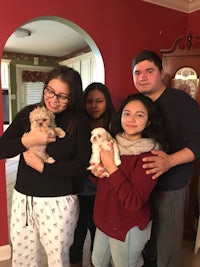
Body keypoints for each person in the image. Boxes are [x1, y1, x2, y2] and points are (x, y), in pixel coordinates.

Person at [0, 65, 92, 267]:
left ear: (72, 98)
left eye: (62, 96)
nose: (53, 99)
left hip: (59, 202)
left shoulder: (79, 123)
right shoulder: (27, 114)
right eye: (50, 90)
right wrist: (27, 141)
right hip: (24, 200)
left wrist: (44, 167)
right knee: (23, 257)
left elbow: (80, 167)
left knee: (57, 259)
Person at [132, 50, 200, 267]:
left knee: (166, 246)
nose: (142, 77)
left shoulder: (182, 102)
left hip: (169, 186)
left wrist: (169, 161)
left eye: (149, 71)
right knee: (145, 241)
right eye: (137, 72)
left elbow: (197, 144)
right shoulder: (135, 103)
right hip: (140, 186)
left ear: (161, 73)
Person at [90, 93, 168, 267]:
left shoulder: (150, 157)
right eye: (127, 113)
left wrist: (110, 166)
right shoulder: (111, 144)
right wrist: (97, 172)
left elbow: (133, 202)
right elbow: (104, 183)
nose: (131, 119)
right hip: (105, 218)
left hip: (128, 225)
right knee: (97, 261)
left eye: (139, 115)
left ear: (149, 122)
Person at [70, 82, 117, 267]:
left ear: (107, 102)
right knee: (77, 230)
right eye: (89, 101)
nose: (94, 106)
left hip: (104, 190)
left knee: (99, 231)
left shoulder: (115, 125)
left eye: (99, 101)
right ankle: (75, 261)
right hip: (79, 188)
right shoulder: (77, 123)